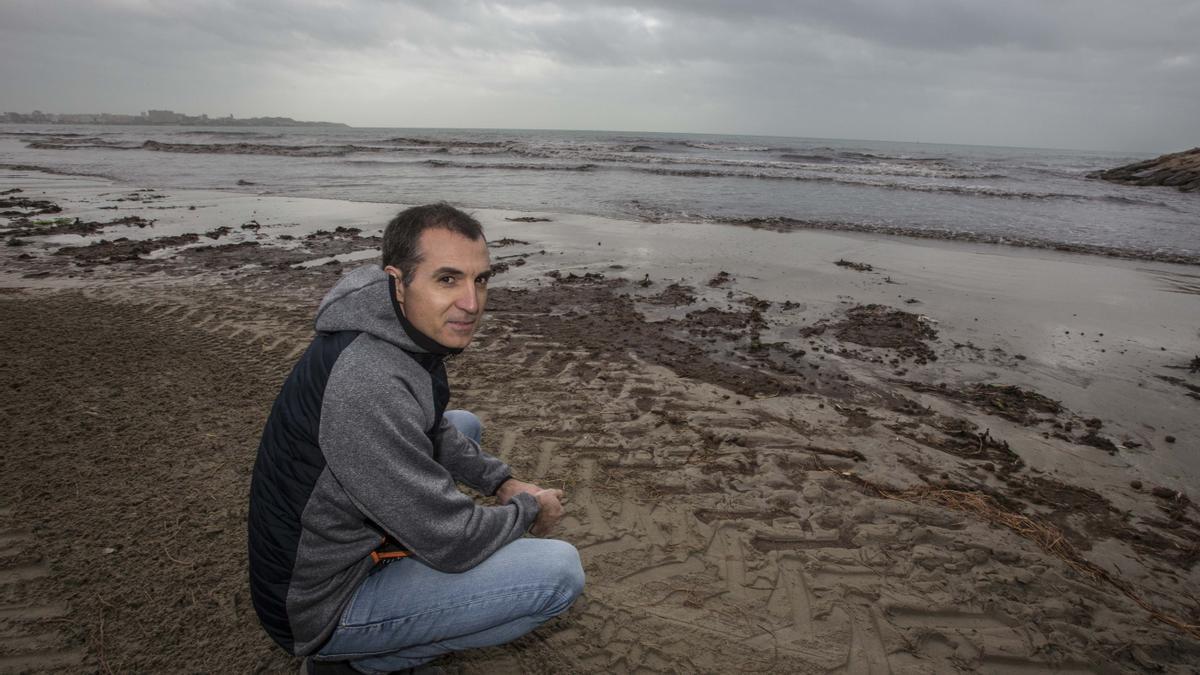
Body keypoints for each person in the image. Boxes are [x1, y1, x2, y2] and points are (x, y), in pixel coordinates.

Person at [247, 203, 584, 674]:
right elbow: (454, 540)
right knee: (557, 574)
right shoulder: (370, 380)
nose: (471, 303)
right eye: (447, 279)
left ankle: (380, 628)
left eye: (480, 279)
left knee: (462, 422)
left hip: (325, 543)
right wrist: (529, 508)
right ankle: (357, 662)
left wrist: (501, 481)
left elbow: (434, 425)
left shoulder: (389, 327)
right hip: (317, 602)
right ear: (397, 282)